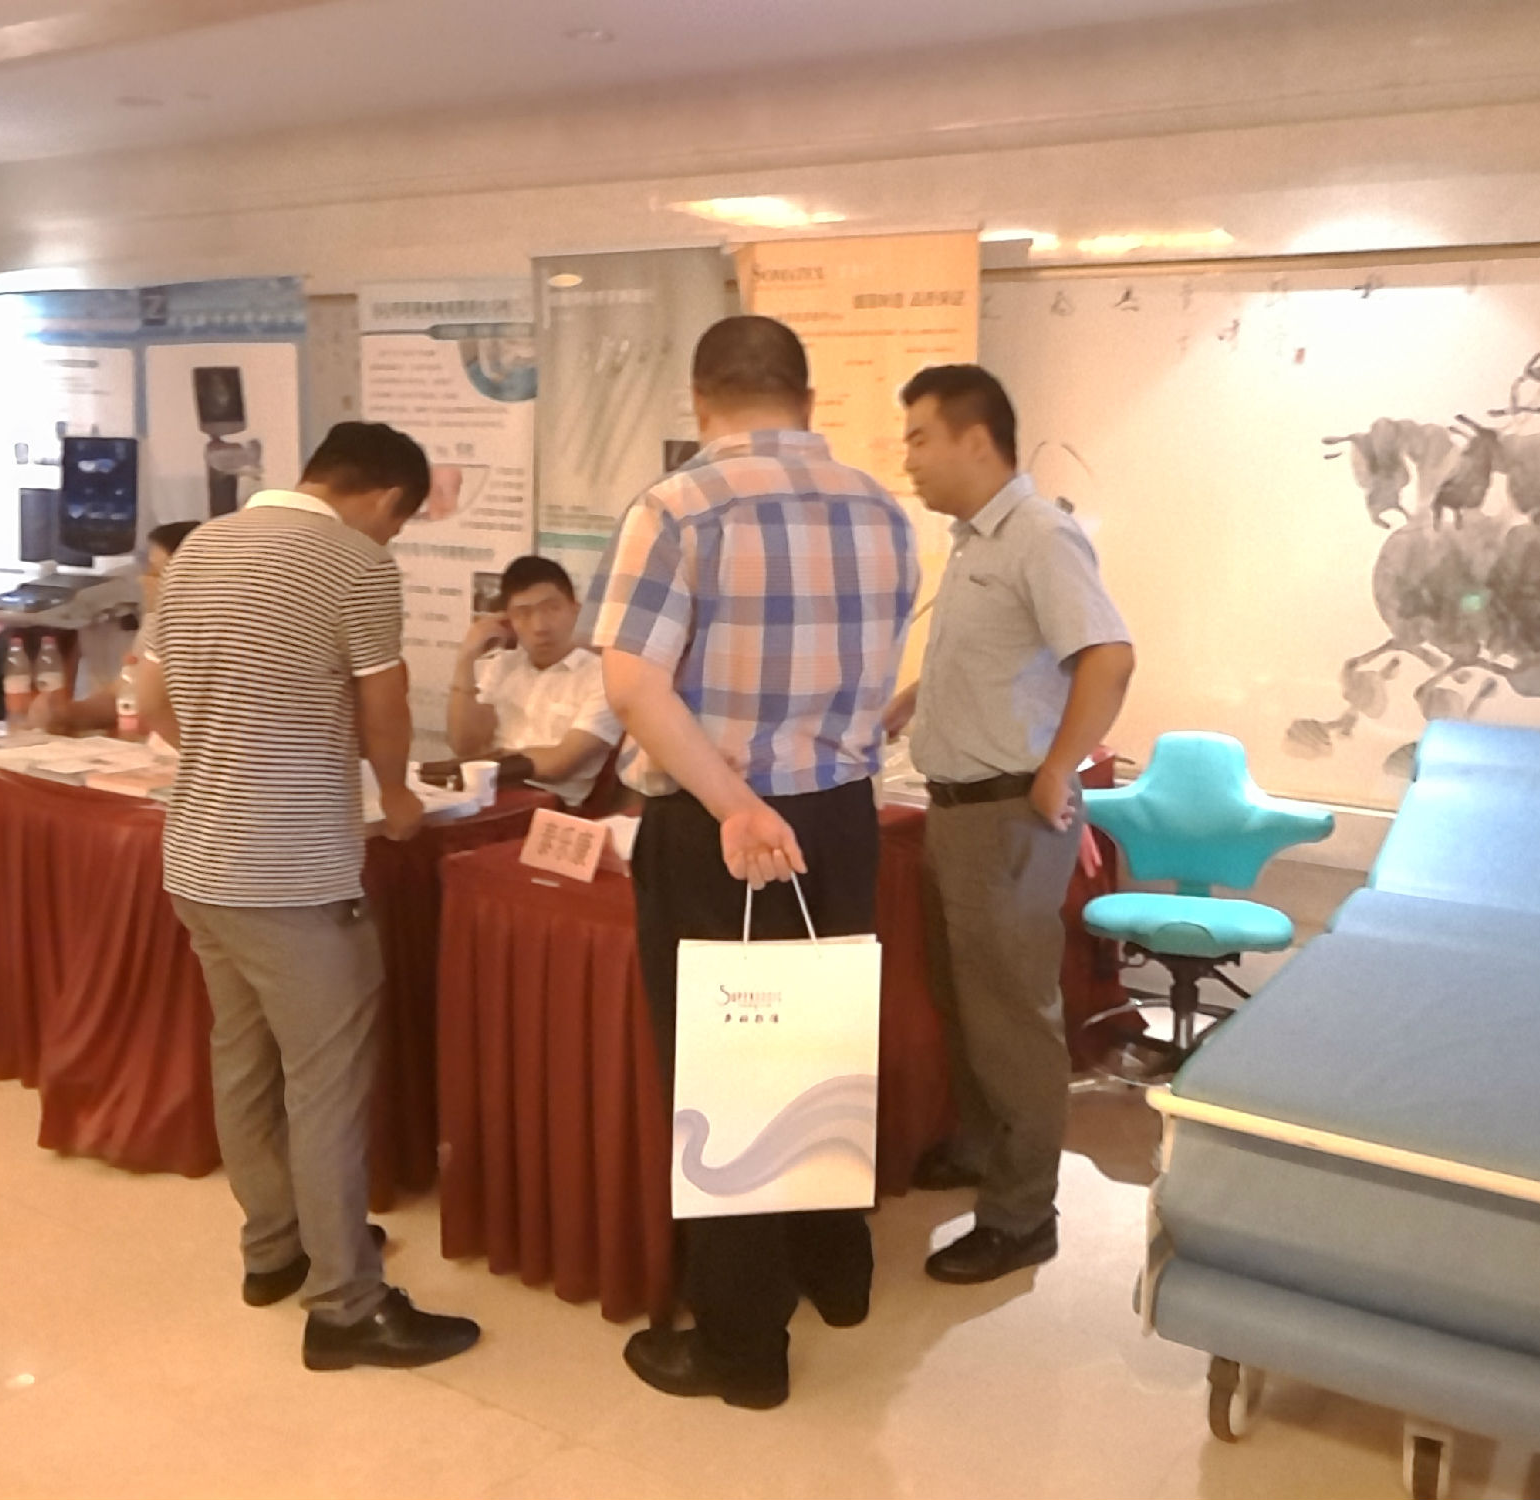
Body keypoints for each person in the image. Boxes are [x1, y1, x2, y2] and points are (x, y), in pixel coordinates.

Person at [585, 315, 917, 1409]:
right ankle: (836, 1271)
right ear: (806, 399)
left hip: (720, 826)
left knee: (726, 1077)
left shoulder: (679, 504)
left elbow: (632, 683)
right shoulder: (882, 507)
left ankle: (741, 1349)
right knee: (820, 1050)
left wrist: (732, 803)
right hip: (842, 818)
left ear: (700, 401)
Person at [134, 421, 481, 1372]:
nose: (392, 539)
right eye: (400, 524)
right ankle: (346, 1308)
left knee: (243, 1062)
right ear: (387, 499)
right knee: (326, 1085)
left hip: (198, 860)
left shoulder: (200, 548)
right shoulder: (355, 563)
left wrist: (223, 756)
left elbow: (153, 699)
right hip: (291, 873)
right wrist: (398, 794)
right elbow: (386, 705)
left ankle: (275, 1249)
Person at [884, 364, 1134, 1285]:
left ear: (975, 440)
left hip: (1008, 816)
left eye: (920, 437)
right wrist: (911, 701)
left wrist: (1059, 766)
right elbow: (995, 654)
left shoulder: (1039, 534)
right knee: (968, 1005)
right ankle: (986, 1147)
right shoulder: (973, 541)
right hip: (958, 812)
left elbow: (1108, 657)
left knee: (1013, 1021)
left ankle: (1024, 1214)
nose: (909, 458)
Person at [445, 554, 623, 808]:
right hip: (486, 794)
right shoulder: (501, 666)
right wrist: (465, 660)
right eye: (523, 613)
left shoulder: (604, 676)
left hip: (552, 805)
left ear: (576, 610)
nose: (540, 626)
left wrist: (486, 762)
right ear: (508, 621)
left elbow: (560, 763)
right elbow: (464, 745)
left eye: (552, 608)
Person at [31, 520, 198, 734]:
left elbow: (159, 712)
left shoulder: (200, 635)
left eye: (156, 572)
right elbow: (120, 694)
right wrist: (67, 713)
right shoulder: (154, 624)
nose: (144, 580)